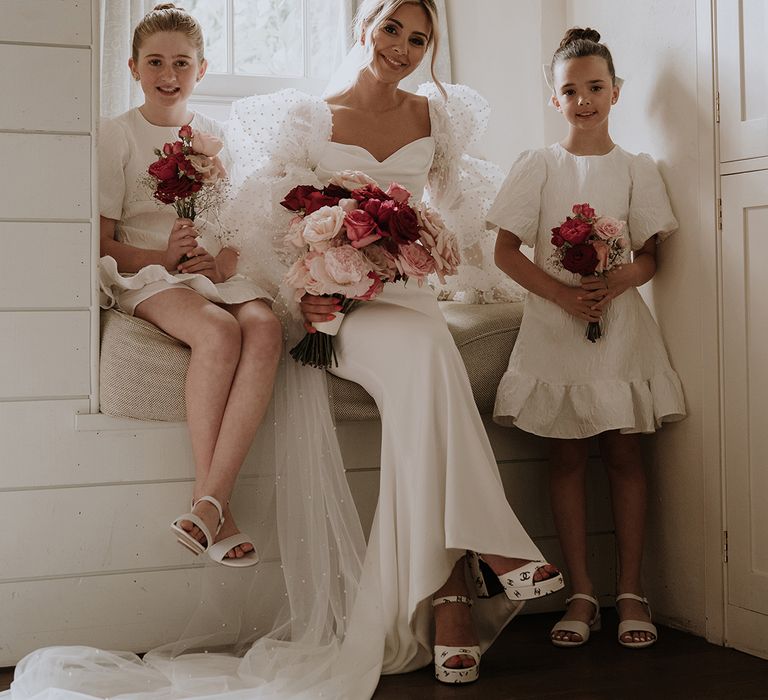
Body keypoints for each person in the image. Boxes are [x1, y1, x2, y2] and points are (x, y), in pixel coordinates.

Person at [224, 0, 563, 687]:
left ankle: (449, 602)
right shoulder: (308, 117)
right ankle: (487, 558)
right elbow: (267, 224)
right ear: (363, 29)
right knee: (431, 358)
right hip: (341, 310)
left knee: (429, 361)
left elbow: (460, 220)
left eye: (418, 39)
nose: (402, 48)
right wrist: (304, 295)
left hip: (410, 300)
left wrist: (454, 265)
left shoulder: (436, 117)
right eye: (390, 30)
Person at [487, 27, 686, 649]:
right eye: (570, 90)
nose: (584, 100)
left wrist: (614, 280)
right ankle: (580, 593)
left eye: (595, 87)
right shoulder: (539, 165)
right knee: (567, 456)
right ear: (555, 99)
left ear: (616, 92)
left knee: (624, 454)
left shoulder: (636, 168)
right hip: (554, 327)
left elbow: (651, 255)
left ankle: (630, 592)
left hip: (621, 326)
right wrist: (563, 294)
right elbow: (504, 250)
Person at [99, 3, 282, 566]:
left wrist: (220, 261)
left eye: (182, 62)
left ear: (201, 70)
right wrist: (163, 255)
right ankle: (215, 505)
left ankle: (207, 504)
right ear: (133, 68)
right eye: (155, 62)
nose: (168, 74)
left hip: (206, 274)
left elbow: (234, 229)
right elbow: (100, 242)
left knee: (266, 327)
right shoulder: (116, 136)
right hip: (146, 273)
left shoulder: (213, 137)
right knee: (219, 333)